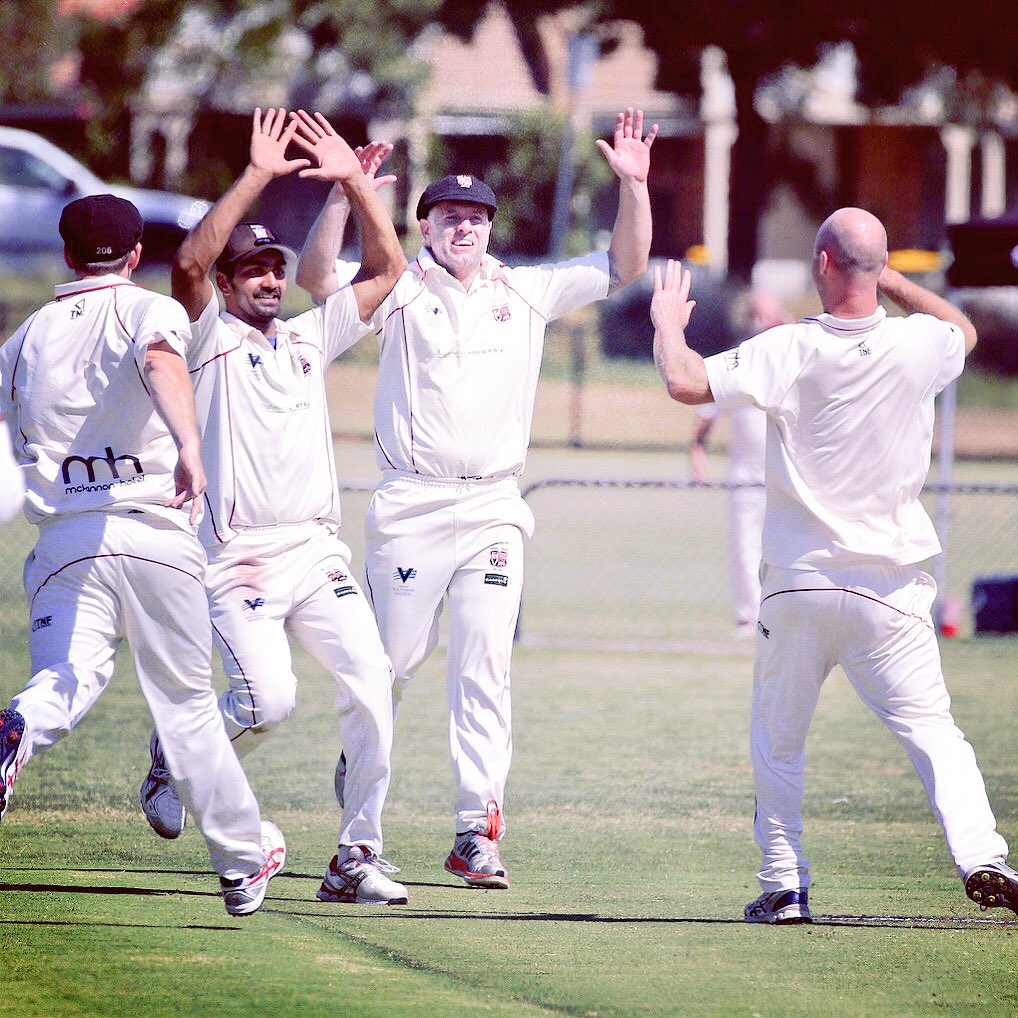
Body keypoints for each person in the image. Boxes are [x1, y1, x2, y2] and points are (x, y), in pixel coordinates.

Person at [296, 107, 656, 888]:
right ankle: (358, 840)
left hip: (494, 507)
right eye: (449, 215)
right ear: (423, 226)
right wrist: (340, 197)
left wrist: (633, 186)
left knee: (485, 670)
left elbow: (624, 263)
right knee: (383, 672)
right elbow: (318, 280)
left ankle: (476, 832)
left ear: (491, 228)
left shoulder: (524, 293)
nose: (465, 227)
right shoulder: (393, 290)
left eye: (477, 217)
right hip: (411, 507)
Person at [650, 208, 1017, 923]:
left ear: (821, 264)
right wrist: (897, 285)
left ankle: (785, 885)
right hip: (892, 590)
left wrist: (669, 322)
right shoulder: (918, 347)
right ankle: (984, 858)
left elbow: (686, 383)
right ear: (877, 269)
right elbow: (963, 332)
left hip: (800, 581)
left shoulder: (788, 346)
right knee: (937, 734)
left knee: (778, 742)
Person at [138, 108, 409, 906]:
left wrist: (357, 184)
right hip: (237, 555)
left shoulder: (304, 337)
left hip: (314, 550)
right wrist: (259, 172)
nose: (267, 277)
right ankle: (176, 753)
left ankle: (355, 855)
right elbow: (186, 264)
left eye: (273, 267)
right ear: (226, 285)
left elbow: (388, 271)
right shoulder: (206, 336)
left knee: (373, 683)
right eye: (250, 268)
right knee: (270, 701)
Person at [0, 194, 285, 917]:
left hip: (65, 543)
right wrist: (189, 444)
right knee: (187, 706)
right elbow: (162, 364)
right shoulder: (148, 310)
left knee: (65, 675)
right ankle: (242, 862)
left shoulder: (23, 339)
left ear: (67, 256)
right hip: (153, 534)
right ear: (134, 255)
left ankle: (18, 729)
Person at [689, 291, 786, 637]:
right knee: (745, 544)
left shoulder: (792, 357)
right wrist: (697, 453)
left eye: (768, 317)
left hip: (788, 471)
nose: (761, 324)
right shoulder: (738, 360)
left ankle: (783, 613)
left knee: (787, 544)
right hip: (745, 472)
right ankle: (749, 617)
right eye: (756, 316)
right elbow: (707, 413)